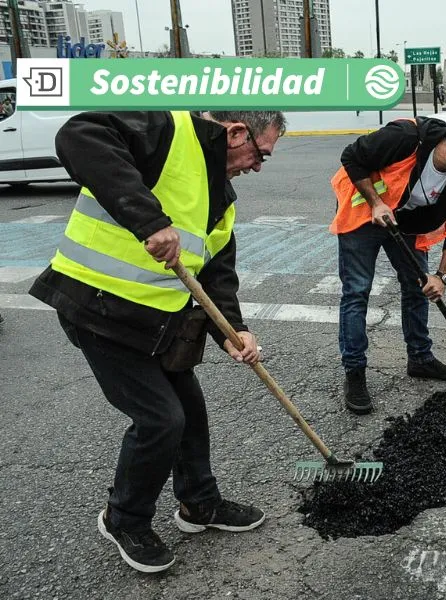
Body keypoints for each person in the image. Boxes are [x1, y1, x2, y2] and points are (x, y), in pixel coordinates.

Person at [28, 109, 286, 573]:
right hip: (98, 308)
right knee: (160, 420)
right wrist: (148, 221)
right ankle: (123, 518)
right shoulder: (169, 131)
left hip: (156, 320)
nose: (257, 165)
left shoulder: (221, 198)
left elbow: (217, 274)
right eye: (259, 153)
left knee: (190, 412)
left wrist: (234, 330)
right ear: (236, 132)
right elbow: (79, 135)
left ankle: (198, 505)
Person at [330, 117, 446, 414]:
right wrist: (375, 202)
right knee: (357, 290)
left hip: (406, 222)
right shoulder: (405, 137)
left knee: (418, 286)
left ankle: (420, 358)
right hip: (364, 213)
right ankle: (355, 372)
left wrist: (441, 277)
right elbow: (351, 157)